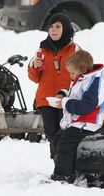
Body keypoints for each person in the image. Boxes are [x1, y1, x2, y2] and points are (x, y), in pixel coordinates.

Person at [51, 50, 104, 182]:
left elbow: (85, 107)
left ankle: (62, 175)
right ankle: (71, 169)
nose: (71, 76)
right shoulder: (83, 79)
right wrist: (63, 94)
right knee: (57, 140)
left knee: (65, 143)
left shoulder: (95, 83)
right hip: (77, 121)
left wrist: (65, 103)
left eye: (73, 73)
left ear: (82, 70)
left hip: (88, 122)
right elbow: (76, 95)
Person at [28, 13, 79, 159]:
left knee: (64, 133)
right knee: (51, 133)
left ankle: (64, 163)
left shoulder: (74, 50)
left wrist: (65, 93)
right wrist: (34, 67)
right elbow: (34, 78)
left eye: (58, 26)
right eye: (51, 26)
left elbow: (81, 74)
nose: (53, 30)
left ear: (67, 29)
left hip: (66, 99)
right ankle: (58, 162)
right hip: (46, 99)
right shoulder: (41, 50)